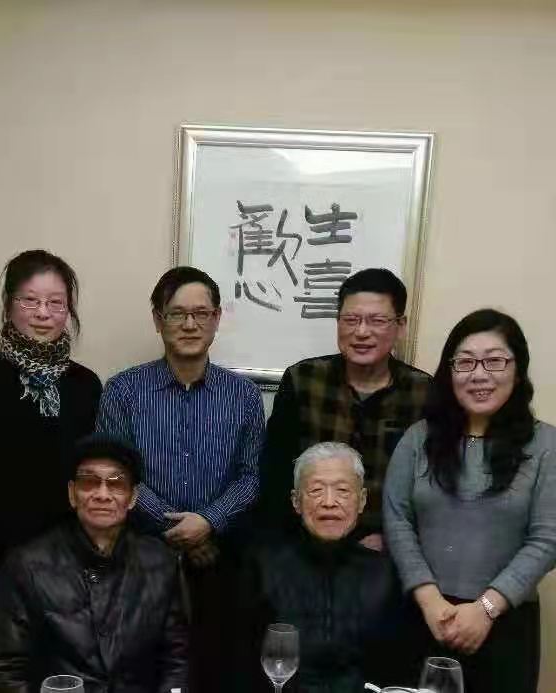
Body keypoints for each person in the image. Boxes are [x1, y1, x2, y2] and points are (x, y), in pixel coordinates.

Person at [96, 265, 265, 692]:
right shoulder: (122, 391)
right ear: (158, 320)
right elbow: (114, 475)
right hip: (139, 560)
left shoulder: (244, 396)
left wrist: (208, 522)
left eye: (201, 313)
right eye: (177, 313)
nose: (190, 324)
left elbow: (251, 476)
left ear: (216, 318)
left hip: (220, 559)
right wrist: (179, 529)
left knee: (215, 673)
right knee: (141, 673)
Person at [0, 250, 102, 678]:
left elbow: (93, 477)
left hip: (70, 567)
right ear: (9, 304)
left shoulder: (85, 385)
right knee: (2, 679)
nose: (43, 314)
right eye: (30, 300)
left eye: (56, 303)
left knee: (65, 676)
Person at [383, 308, 556, 693]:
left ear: (518, 369)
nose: (479, 374)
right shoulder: (418, 438)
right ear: (449, 372)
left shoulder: (546, 445)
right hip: (422, 617)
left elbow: (548, 538)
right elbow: (396, 519)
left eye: (494, 361)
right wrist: (429, 599)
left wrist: (486, 609)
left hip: (505, 625)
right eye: (465, 362)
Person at [0, 436, 188, 693]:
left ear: (133, 497)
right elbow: (1, 670)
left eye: (116, 484)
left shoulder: (161, 562)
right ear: (72, 493)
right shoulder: (27, 564)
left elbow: (176, 662)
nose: (102, 494)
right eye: (90, 482)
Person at [259, 268, 430, 547]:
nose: (361, 332)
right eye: (351, 319)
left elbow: (427, 487)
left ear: (401, 326)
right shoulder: (303, 380)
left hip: (388, 548)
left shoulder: (423, 392)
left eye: (377, 321)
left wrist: (389, 539)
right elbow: (275, 474)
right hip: (306, 543)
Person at [234, 442, 411, 693]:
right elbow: (240, 662)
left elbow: (397, 670)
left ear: (362, 501)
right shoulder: (262, 565)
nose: (329, 502)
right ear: (296, 501)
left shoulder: (384, 573)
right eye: (316, 490)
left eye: (342, 491)